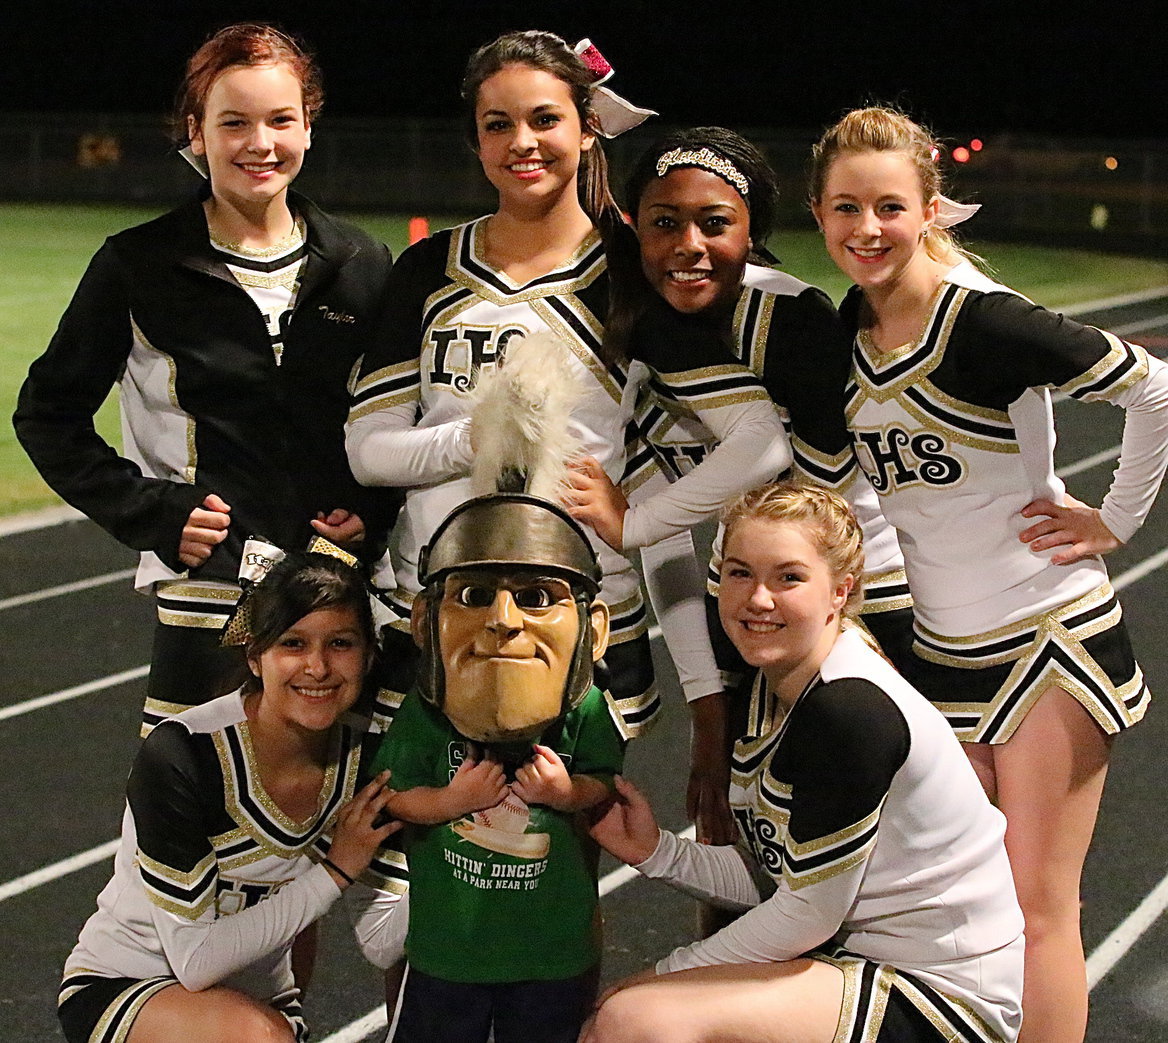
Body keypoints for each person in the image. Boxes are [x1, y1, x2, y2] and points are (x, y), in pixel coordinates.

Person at [808, 106, 1168, 1043]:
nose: (866, 228)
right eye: (845, 207)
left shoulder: (981, 320)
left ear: (930, 207)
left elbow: (1160, 387)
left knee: (1035, 906)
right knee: (961, 904)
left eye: (889, 207)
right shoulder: (846, 333)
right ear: (819, 213)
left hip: (1045, 641)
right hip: (941, 652)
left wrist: (1117, 520)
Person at [345, 30, 788, 743]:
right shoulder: (428, 268)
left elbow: (758, 438)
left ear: (588, 129)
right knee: (419, 846)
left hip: (577, 623)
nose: (523, 141)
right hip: (434, 610)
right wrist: (488, 436)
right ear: (477, 141)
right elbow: (369, 452)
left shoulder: (628, 274)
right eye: (499, 124)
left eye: (544, 119)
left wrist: (639, 523)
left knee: (554, 843)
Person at [14, 23, 398, 735]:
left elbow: (392, 420)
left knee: (347, 821)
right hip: (209, 602)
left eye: (282, 119)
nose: (261, 143)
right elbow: (47, 414)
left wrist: (366, 514)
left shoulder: (364, 263)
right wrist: (149, 511)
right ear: (196, 132)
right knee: (190, 818)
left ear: (309, 127)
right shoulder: (139, 264)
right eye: (235, 122)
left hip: (339, 597)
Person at [584, 481, 1024, 1043]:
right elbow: (783, 881)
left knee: (636, 1021)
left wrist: (658, 978)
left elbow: (808, 914)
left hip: (943, 998)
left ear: (841, 591)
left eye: (788, 577)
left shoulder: (849, 710)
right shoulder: (775, 682)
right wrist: (656, 852)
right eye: (740, 573)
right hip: (857, 961)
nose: (758, 599)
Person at [610, 126, 916, 844]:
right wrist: (708, 714)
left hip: (863, 600)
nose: (689, 244)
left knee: (861, 834)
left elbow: (833, 521)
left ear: (754, 232)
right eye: (664, 222)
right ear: (635, 231)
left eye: (715, 224)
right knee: (733, 832)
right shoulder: (640, 329)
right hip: (749, 600)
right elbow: (665, 537)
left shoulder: (791, 319)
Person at [57, 550, 409, 1043]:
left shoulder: (366, 753)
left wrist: (472, 850)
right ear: (254, 656)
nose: (318, 666)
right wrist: (335, 872)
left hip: (260, 1005)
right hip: (132, 985)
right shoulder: (185, 754)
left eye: (341, 643)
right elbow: (196, 961)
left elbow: (380, 940)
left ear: (368, 655)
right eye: (293, 643)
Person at [372, 493, 624, 1043]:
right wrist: (449, 803)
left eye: (535, 597)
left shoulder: (587, 709)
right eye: (475, 596)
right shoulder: (423, 709)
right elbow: (392, 794)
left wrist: (565, 792)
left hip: (551, 953)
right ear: (424, 620)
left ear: (594, 628)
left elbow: (604, 784)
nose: (503, 620)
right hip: (448, 949)